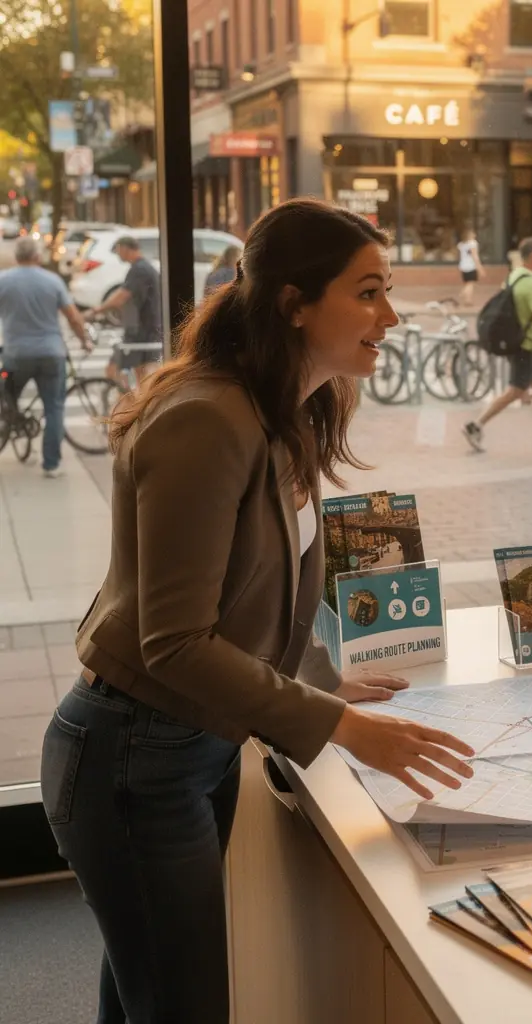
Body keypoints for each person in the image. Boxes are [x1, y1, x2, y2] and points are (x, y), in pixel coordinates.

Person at [39, 199, 475, 1022]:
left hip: (193, 744)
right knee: (183, 1002)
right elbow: (174, 642)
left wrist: (324, 681)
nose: (391, 314)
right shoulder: (207, 417)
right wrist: (339, 726)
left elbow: (267, 595)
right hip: (135, 757)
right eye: (370, 291)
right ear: (294, 303)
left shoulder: (289, 410)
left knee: (151, 993)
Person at [462, 237, 532, 452]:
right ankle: (475, 425)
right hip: (526, 346)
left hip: (518, 342)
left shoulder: (515, 276)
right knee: (514, 391)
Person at [0, 236, 92, 477]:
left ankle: (13, 423)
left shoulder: (3, 281)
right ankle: (51, 465)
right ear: (38, 256)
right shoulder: (53, 281)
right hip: (51, 353)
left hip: (15, 354)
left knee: (6, 400)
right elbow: (73, 317)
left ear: (16, 257)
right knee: (54, 408)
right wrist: (85, 340)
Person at [85, 236, 163, 385]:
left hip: (140, 331)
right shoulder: (143, 267)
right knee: (142, 373)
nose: (118, 254)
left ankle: (128, 403)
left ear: (126, 248)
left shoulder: (139, 269)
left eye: (118, 250)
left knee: (113, 369)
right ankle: (137, 403)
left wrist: (96, 310)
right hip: (146, 328)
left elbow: (121, 296)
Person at [456, 228, 484, 307]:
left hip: (463, 265)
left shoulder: (461, 245)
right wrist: (480, 267)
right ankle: (467, 299)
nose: (475, 235)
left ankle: (465, 296)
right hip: (471, 265)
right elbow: (475, 256)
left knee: (467, 283)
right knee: (471, 283)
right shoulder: (473, 243)